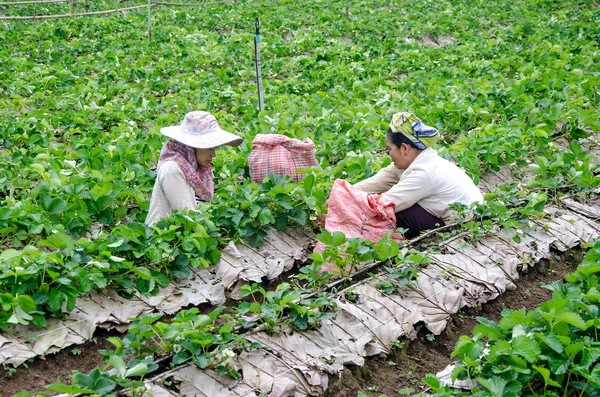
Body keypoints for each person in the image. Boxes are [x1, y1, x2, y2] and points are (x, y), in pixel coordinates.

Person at [353, 112, 483, 239]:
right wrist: (346, 193)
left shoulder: (423, 172)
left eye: (389, 149)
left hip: (463, 225)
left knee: (395, 213)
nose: (389, 155)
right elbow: (377, 182)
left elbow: (384, 204)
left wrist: (352, 210)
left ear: (404, 148)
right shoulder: (415, 160)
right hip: (459, 212)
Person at [145, 111, 243, 225]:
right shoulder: (171, 169)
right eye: (210, 148)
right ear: (193, 146)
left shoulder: (197, 170)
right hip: (163, 236)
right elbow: (187, 215)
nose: (214, 155)